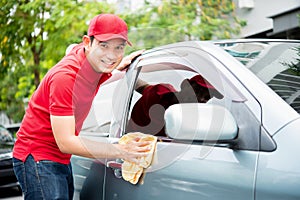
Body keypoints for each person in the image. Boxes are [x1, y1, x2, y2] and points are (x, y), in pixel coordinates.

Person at [12, 13, 149, 200]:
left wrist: (117, 67)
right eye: (104, 45)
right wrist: (121, 150)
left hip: (59, 156)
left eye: (119, 47)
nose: (112, 54)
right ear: (87, 42)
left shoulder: (93, 63)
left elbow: (100, 65)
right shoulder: (65, 78)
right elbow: (66, 141)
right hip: (37, 156)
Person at [126, 75, 223, 137]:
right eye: (197, 91)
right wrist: (123, 71)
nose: (201, 99)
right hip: (128, 144)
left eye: (207, 97)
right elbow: (142, 87)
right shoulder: (160, 93)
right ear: (185, 84)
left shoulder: (193, 122)